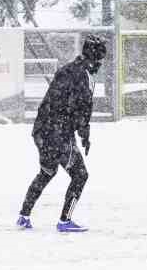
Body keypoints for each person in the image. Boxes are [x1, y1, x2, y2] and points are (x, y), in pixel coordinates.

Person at [19, 35, 106, 232]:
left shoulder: (67, 69)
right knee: (80, 175)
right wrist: (84, 134)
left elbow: (57, 101)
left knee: (47, 172)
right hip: (58, 133)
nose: (101, 64)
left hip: (41, 130)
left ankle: (23, 216)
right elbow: (83, 109)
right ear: (94, 58)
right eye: (100, 60)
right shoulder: (85, 77)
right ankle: (65, 221)